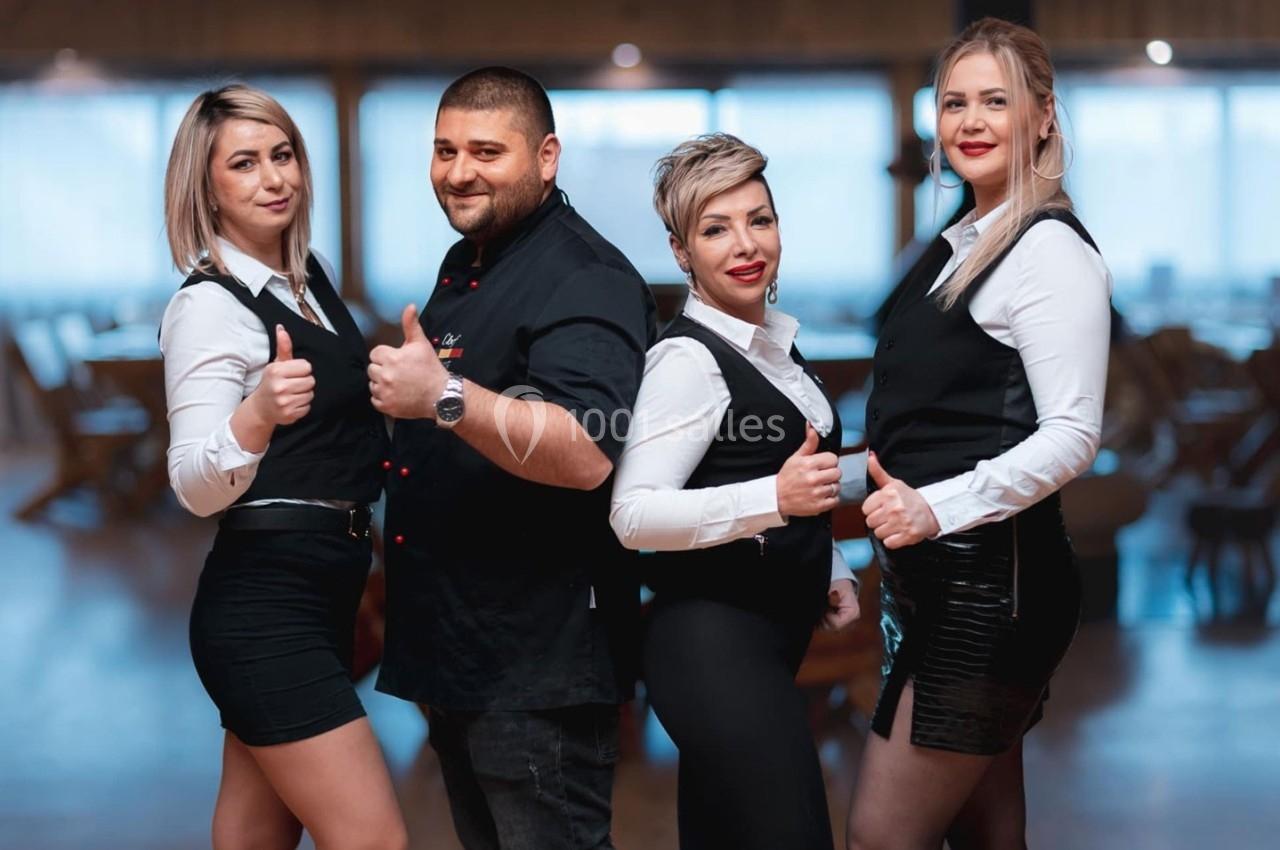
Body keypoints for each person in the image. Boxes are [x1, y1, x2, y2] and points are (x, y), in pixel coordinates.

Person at [367, 67, 656, 850]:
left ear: (546, 156)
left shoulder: (582, 274)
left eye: (487, 151)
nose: (460, 172)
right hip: (459, 651)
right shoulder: (472, 260)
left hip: (536, 667)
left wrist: (442, 397)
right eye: (444, 150)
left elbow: (589, 449)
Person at [842, 18, 1113, 850]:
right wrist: (831, 479)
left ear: (1042, 116)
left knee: (881, 837)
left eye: (996, 100)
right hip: (939, 581)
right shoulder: (959, 242)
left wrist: (932, 508)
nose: (970, 121)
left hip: (990, 588)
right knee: (987, 835)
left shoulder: (1048, 251)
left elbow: (1073, 435)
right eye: (954, 102)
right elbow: (933, 428)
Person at [159, 84, 406, 850]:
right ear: (208, 187)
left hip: (324, 593)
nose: (275, 179)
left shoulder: (311, 279)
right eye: (244, 163)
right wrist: (257, 414)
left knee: (253, 839)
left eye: (284, 154)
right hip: (265, 609)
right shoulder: (208, 306)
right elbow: (194, 485)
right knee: (375, 841)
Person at [609, 133, 861, 850]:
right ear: (681, 251)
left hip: (765, 636)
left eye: (760, 220)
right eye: (715, 230)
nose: (746, 245)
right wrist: (774, 499)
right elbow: (633, 514)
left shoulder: (776, 349)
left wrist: (829, 565)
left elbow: (786, 474)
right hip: (706, 641)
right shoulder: (687, 360)